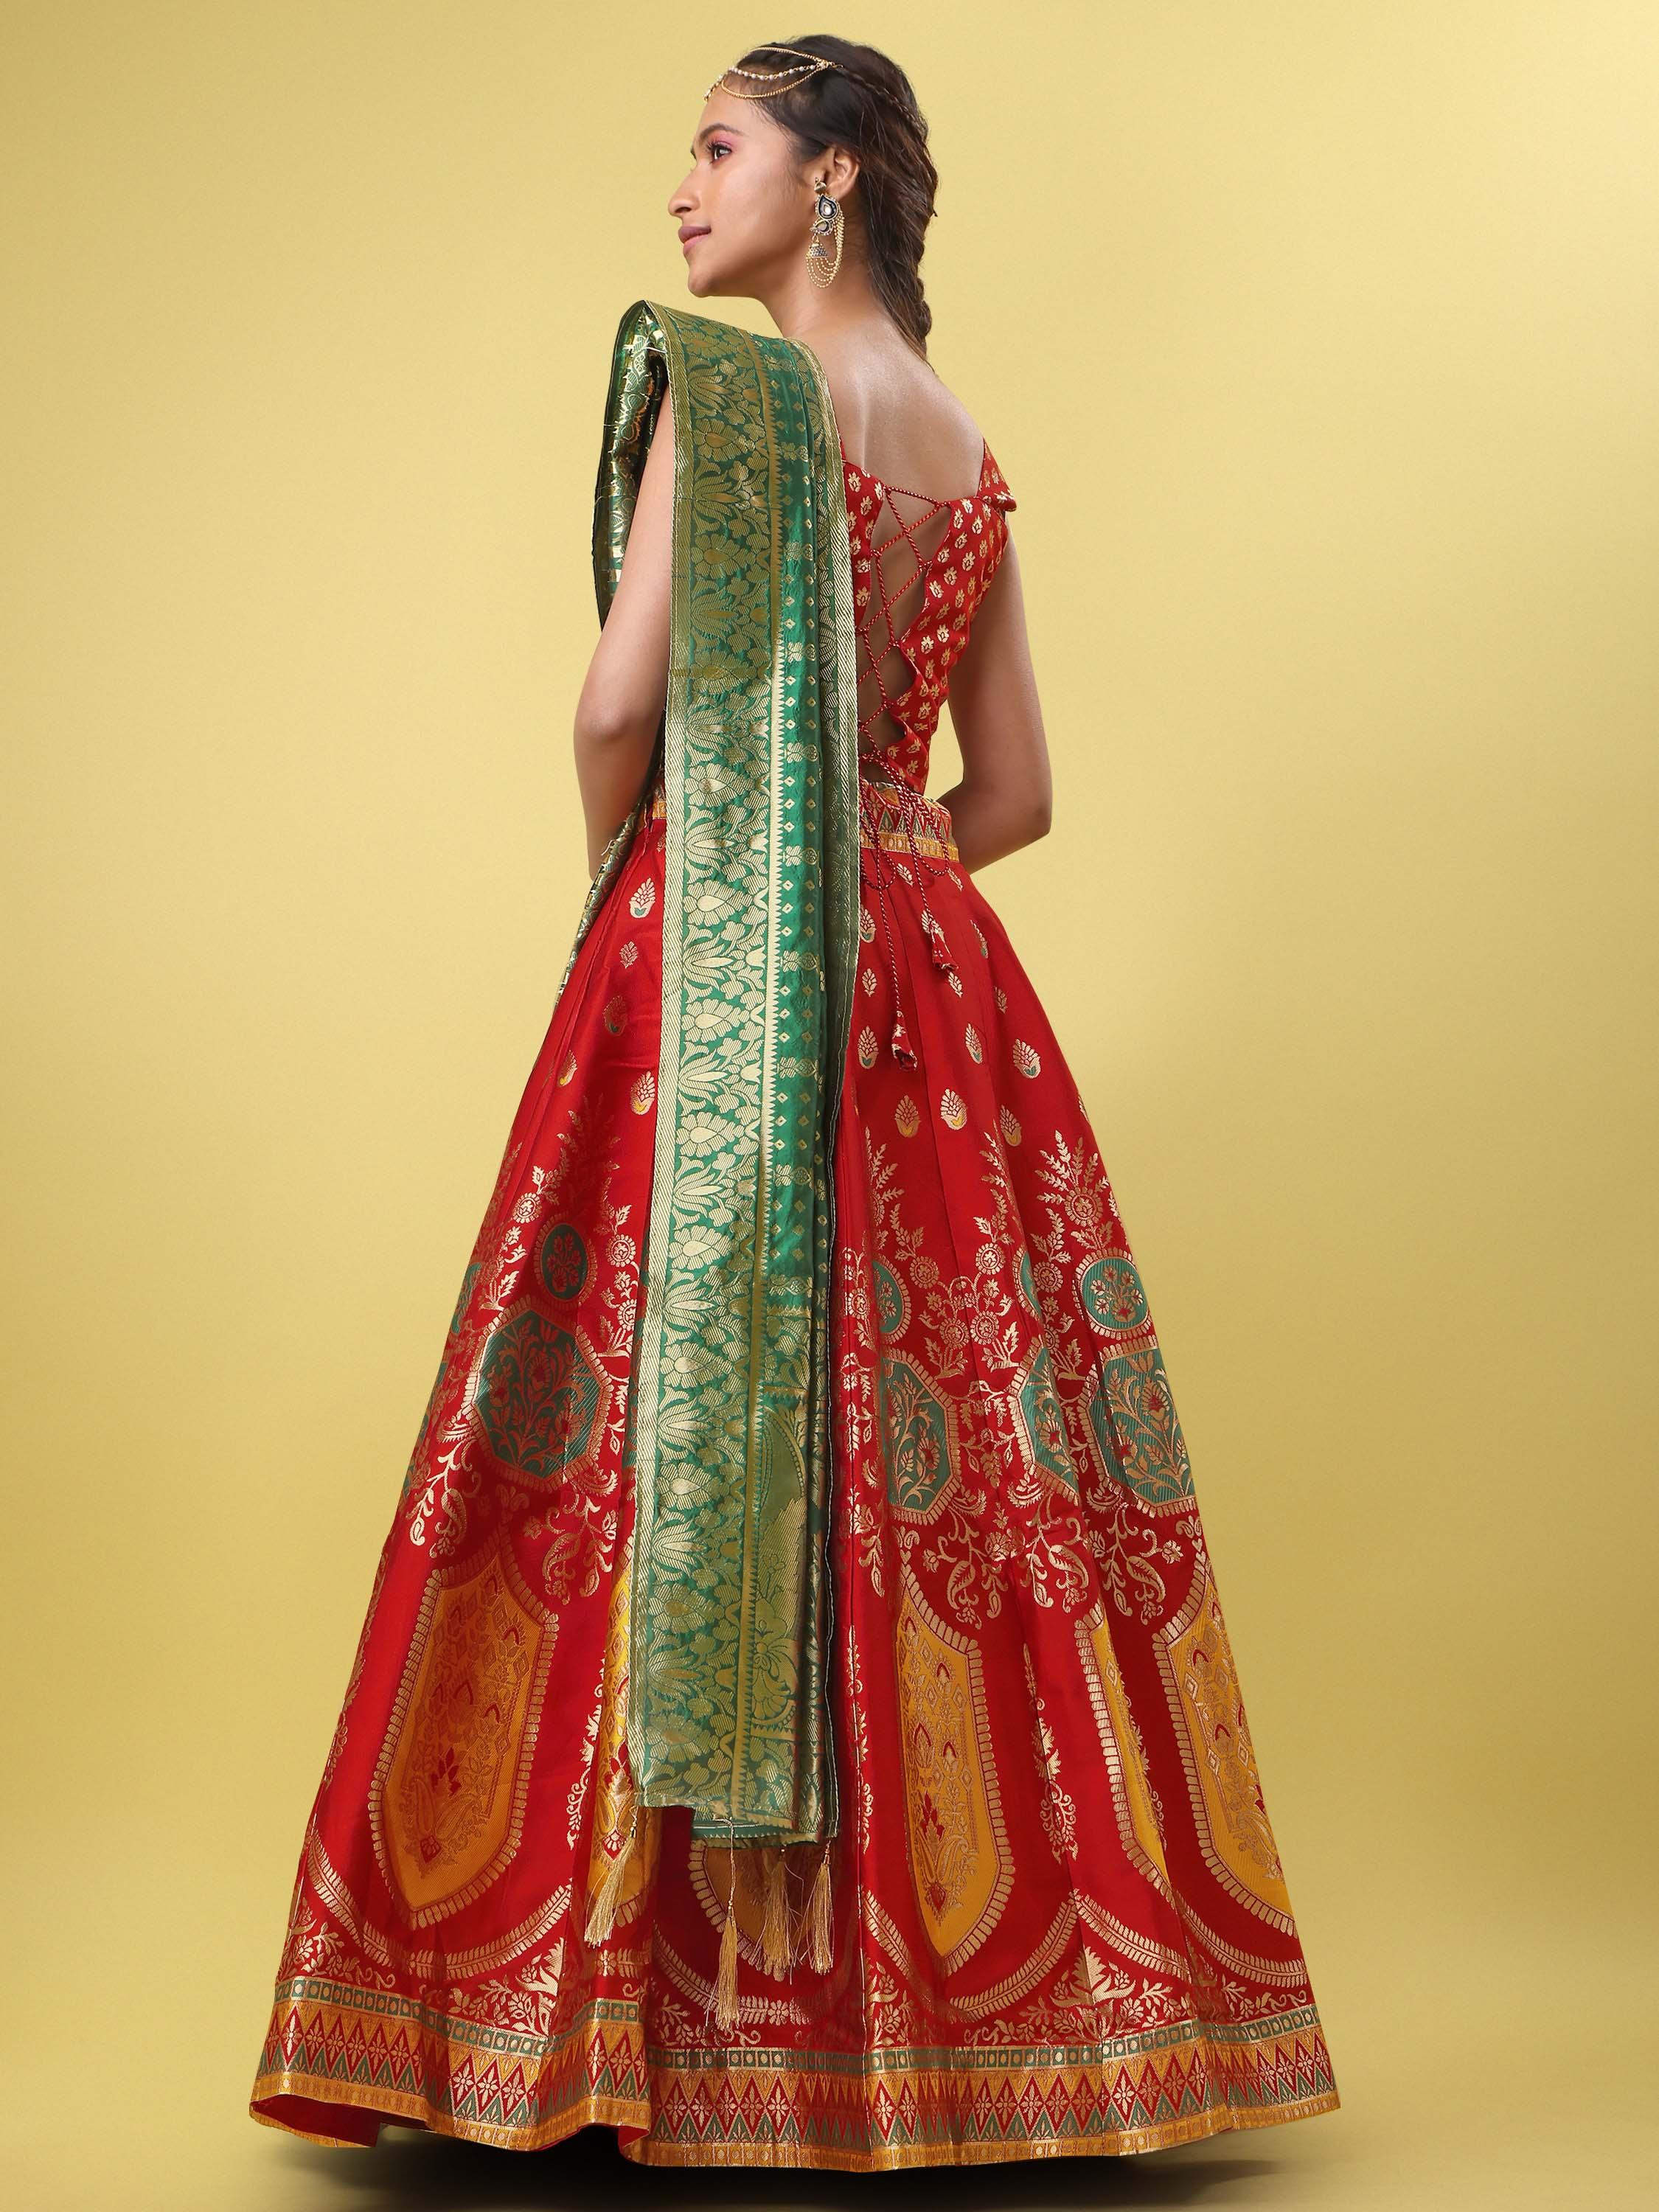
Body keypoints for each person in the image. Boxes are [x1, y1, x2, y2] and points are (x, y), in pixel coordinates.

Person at [248, 34, 1340, 2171]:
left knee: (664, 1422)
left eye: (720, 145)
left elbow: (616, 696)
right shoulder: (962, 444)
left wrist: (645, 873)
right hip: (935, 987)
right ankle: (973, 2041)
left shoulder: (728, 398)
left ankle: (606, 2027)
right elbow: (1012, 795)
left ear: (827, 178)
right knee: (942, 1451)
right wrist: (884, 871)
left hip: (717, 948)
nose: (681, 189)